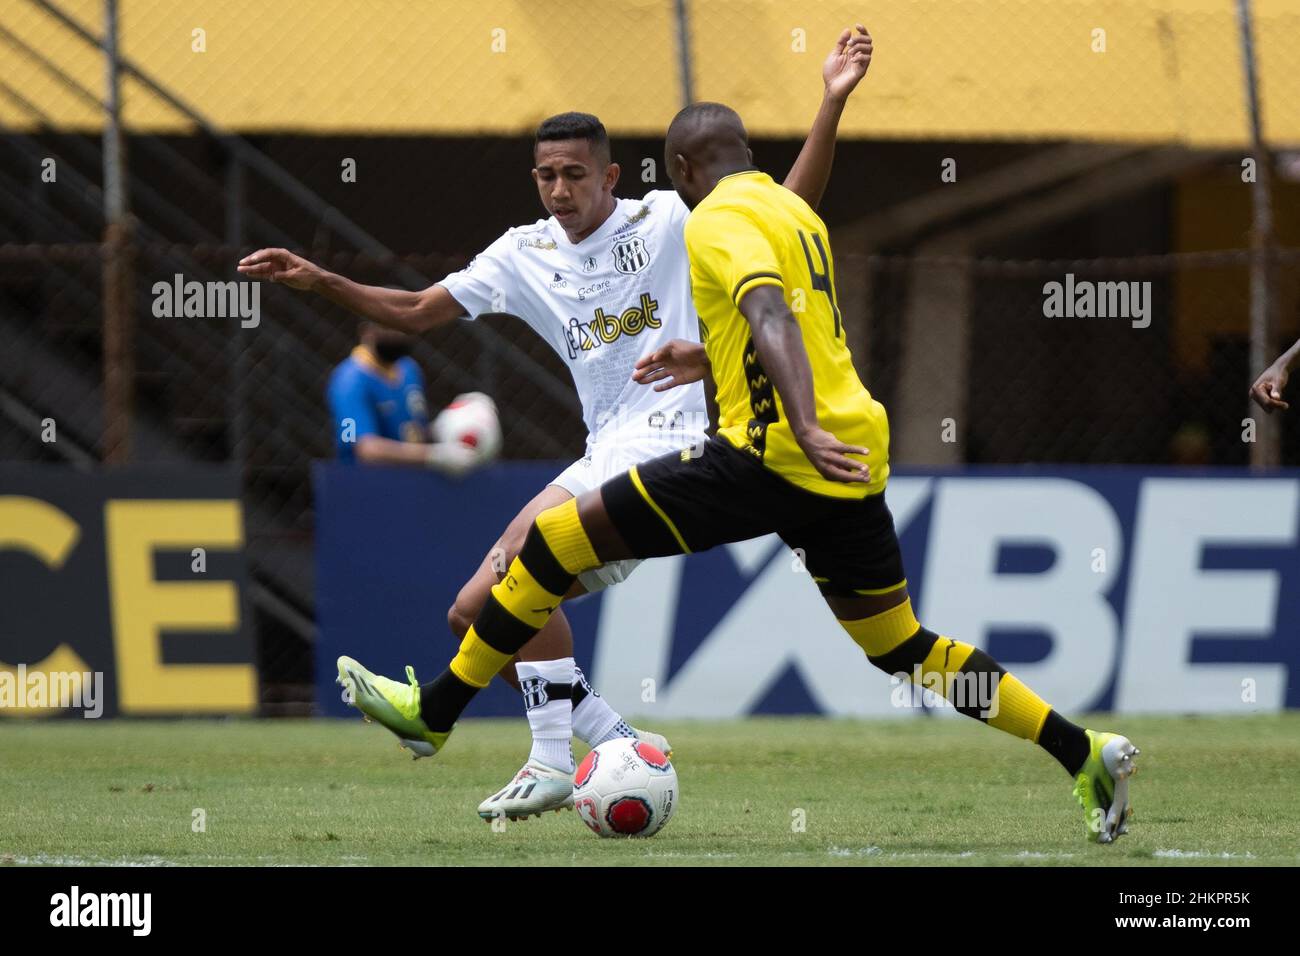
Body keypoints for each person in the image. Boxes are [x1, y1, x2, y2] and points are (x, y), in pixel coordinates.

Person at [338, 101, 1142, 845]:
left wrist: (799, 422)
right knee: (902, 646)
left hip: (768, 454)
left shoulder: (709, 222)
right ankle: (1082, 749)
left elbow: (768, 314)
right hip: (854, 456)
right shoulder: (789, 213)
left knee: (550, 544)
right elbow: (774, 306)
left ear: (679, 172)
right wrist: (708, 352)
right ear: (747, 157)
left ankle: (437, 712)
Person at [240, 27, 876, 821]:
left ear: (610, 175)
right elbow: (414, 310)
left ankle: (541, 757)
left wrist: (830, 102)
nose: (559, 189)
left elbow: (786, 205)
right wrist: (317, 278)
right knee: (474, 612)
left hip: (667, 442)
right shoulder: (522, 253)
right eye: (545, 175)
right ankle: (613, 741)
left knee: (515, 576)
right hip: (602, 447)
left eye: (575, 174)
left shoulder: (668, 219)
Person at [326, 322, 479, 473]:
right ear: (367, 331)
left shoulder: (409, 369)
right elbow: (365, 449)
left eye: (401, 328)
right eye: (387, 326)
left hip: (410, 479)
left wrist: (450, 424)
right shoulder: (348, 382)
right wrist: (432, 455)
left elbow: (414, 430)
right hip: (362, 483)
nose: (397, 334)